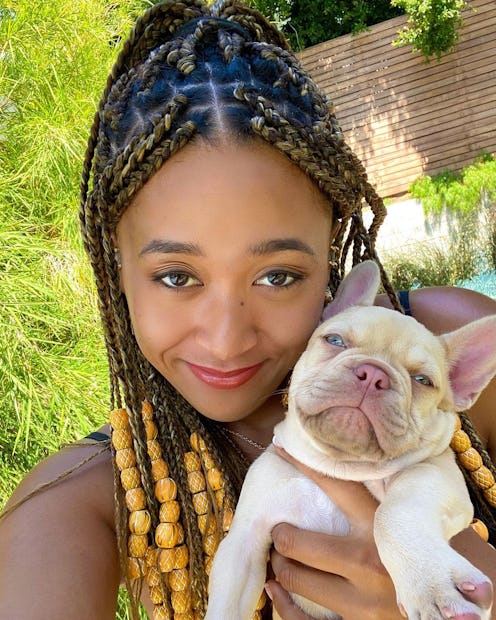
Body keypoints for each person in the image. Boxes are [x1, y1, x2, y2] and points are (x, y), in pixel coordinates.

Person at [1, 1, 495, 618]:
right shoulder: (79, 504)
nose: (228, 338)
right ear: (115, 270)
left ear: (330, 255)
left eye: (279, 275)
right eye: (176, 276)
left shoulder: (447, 340)